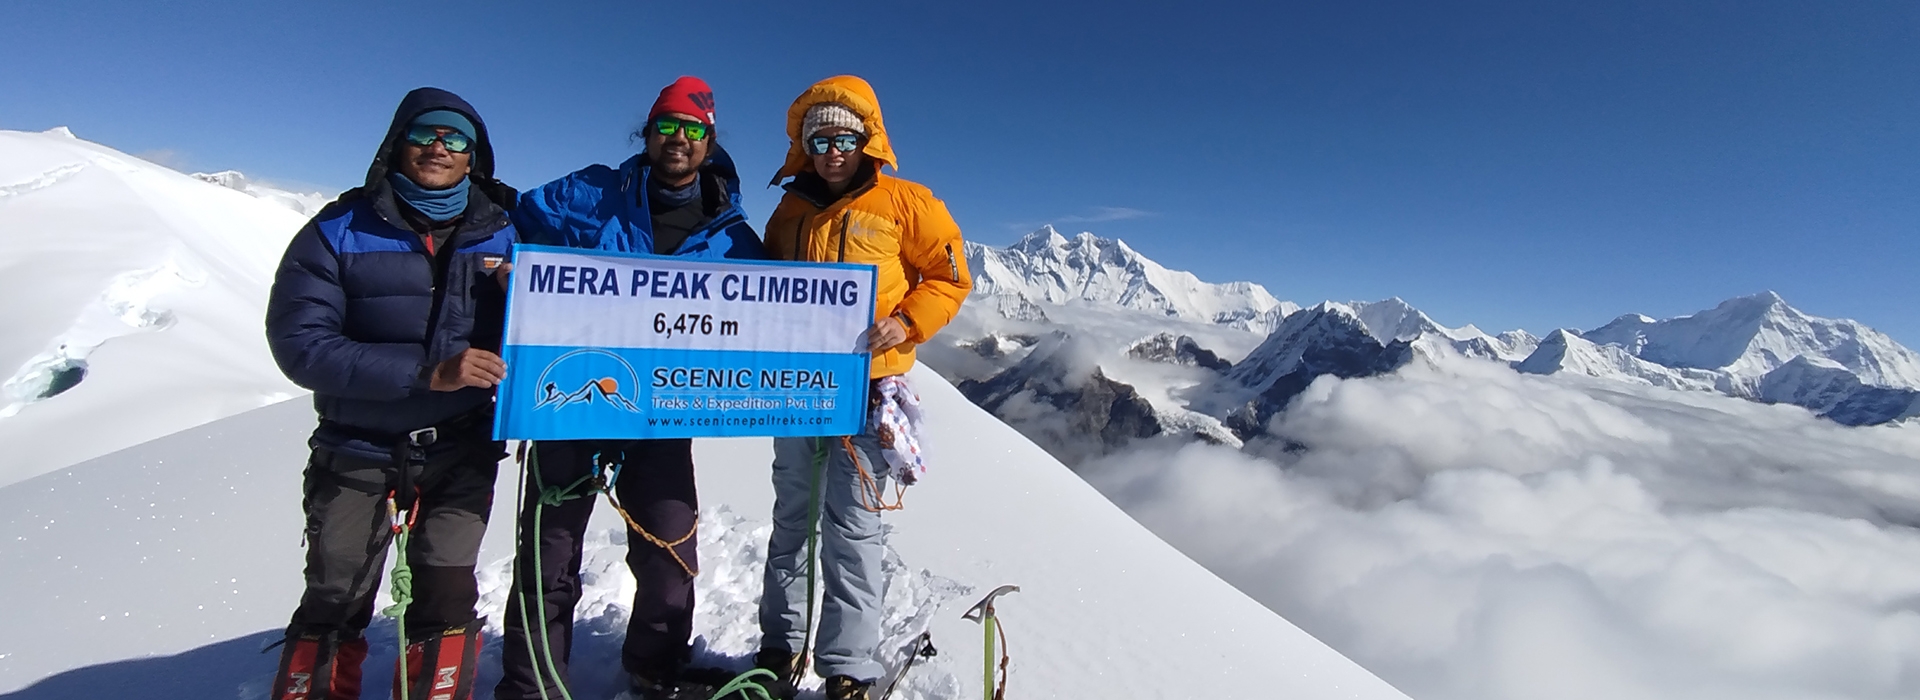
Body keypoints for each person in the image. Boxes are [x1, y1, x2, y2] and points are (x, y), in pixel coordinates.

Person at [495, 75, 767, 700]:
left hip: (661, 419)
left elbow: (767, 315)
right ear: (646, 133)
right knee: (547, 560)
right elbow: (513, 222)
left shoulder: (731, 235)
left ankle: (656, 666)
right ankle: (530, 685)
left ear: (709, 141)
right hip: (568, 407)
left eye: (692, 129)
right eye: (666, 125)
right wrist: (512, 270)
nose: (678, 138)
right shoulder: (592, 191)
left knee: (670, 553)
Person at [264, 87, 517, 700]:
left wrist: (526, 298)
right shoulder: (336, 230)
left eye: (455, 138)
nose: (439, 147)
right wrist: (427, 374)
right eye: (425, 133)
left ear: (474, 156)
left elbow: (568, 316)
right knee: (335, 595)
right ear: (397, 143)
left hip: (460, 450)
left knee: (447, 596)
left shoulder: (508, 235)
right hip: (356, 450)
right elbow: (300, 343)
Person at [751, 75, 973, 700]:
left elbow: (951, 277)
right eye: (818, 138)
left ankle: (846, 665)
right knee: (792, 517)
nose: (832, 151)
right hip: (796, 388)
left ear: (868, 138)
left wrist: (906, 322)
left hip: (868, 390)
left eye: (844, 137)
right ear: (805, 145)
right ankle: (779, 647)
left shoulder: (908, 203)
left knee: (853, 528)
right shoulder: (788, 211)